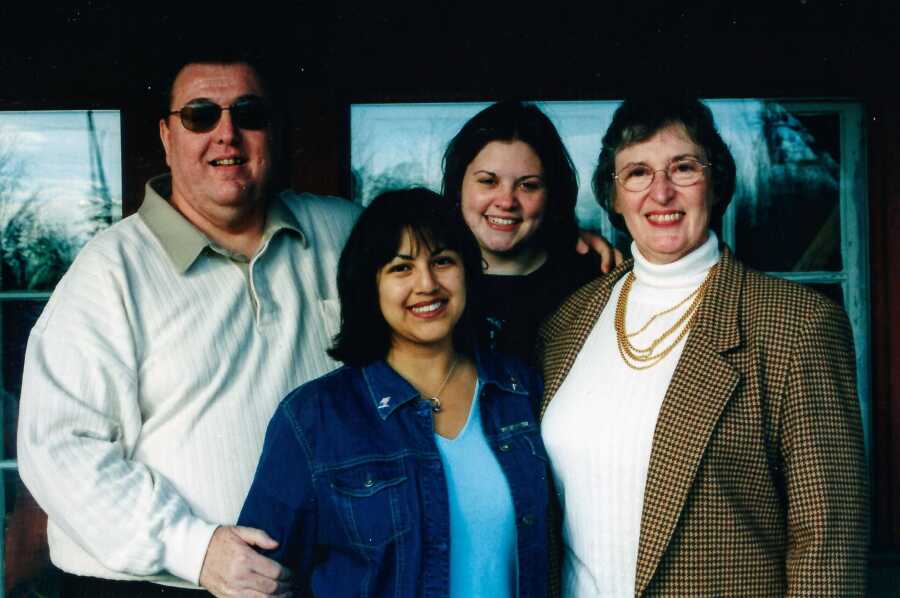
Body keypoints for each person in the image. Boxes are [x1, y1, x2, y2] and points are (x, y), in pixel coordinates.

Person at [17, 54, 360, 596]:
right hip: (163, 586)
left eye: (248, 114)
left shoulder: (343, 235)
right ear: (167, 135)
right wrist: (193, 548)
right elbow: (59, 446)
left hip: (322, 580)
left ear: (272, 131)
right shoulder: (110, 272)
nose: (227, 134)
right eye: (201, 115)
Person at [537, 97, 869, 596]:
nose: (662, 192)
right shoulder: (569, 323)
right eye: (637, 173)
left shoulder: (795, 324)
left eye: (684, 168)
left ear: (715, 183)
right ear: (615, 195)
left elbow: (828, 545)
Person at [238, 188, 552, 597]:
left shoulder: (520, 392)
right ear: (370, 285)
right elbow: (258, 581)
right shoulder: (315, 418)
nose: (427, 284)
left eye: (442, 261)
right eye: (401, 268)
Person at [442, 101, 612, 360]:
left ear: (551, 194)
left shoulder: (591, 280)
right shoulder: (431, 278)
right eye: (488, 181)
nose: (506, 201)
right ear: (458, 186)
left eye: (528, 185)